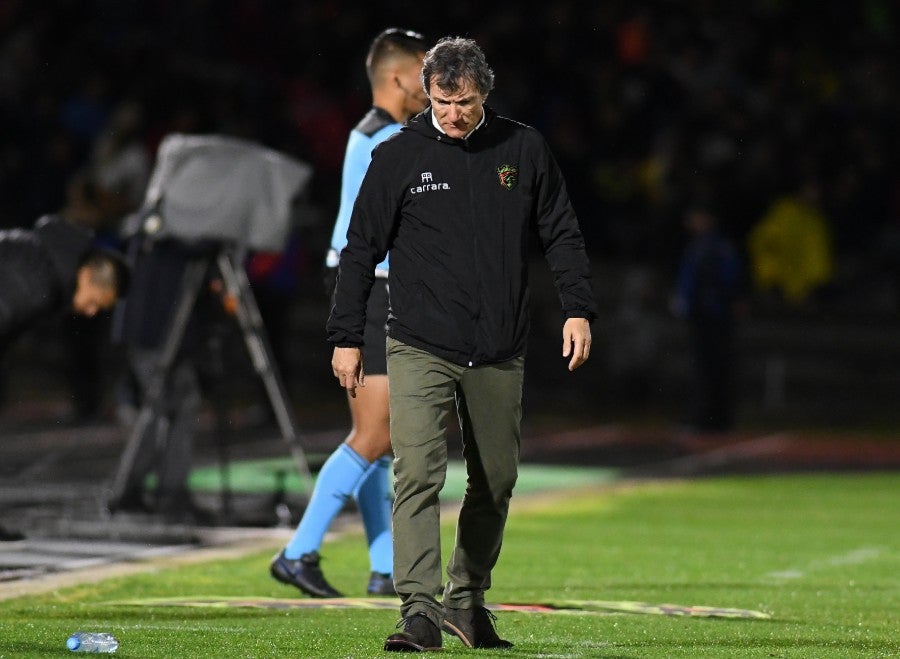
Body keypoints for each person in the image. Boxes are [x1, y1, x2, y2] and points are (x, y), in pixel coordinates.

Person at [329, 37, 597, 652]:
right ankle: (418, 610)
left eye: (465, 102)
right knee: (417, 472)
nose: (452, 114)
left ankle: (465, 600)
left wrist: (578, 308)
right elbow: (360, 249)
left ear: (485, 93)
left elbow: (561, 232)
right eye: (442, 101)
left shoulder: (523, 148)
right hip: (420, 343)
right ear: (427, 92)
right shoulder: (396, 156)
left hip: (499, 347)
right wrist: (346, 337)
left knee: (497, 479)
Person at [269, 27, 430, 598]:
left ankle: (385, 567)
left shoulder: (376, 135)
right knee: (376, 433)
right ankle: (297, 552)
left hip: (368, 286)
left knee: (379, 437)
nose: (430, 83)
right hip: (372, 289)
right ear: (396, 76)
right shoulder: (384, 139)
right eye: (423, 70)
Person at [0, 213, 129, 540]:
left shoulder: (42, 261)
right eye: (95, 303)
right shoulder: (37, 281)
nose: (89, 311)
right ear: (86, 276)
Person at [672, 207, 745, 432]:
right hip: (709, 315)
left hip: (712, 315)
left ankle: (710, 418)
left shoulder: (711, 248)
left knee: (711, 368)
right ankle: (716, 417)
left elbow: (726, 279)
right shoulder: (707, 247)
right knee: (712, 368)